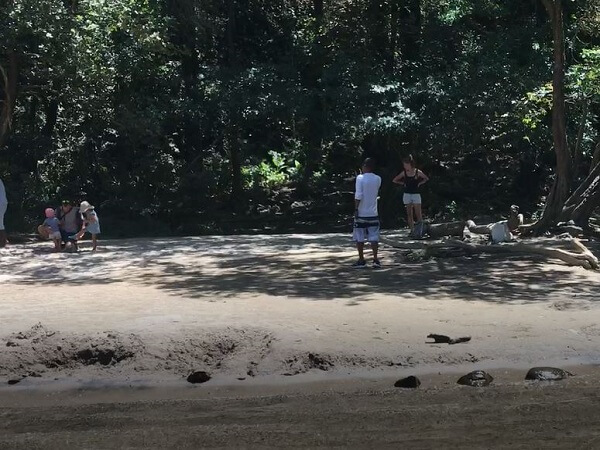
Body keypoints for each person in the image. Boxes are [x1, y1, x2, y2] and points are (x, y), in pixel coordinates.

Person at [353, 158, 382, 268]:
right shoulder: (378, 179)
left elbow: (358, 195)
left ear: (364, 166)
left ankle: (361, 259)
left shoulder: (360, 178)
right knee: (374, 237)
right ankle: (375, 259)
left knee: (359, 236)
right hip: (373, 212)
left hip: (361, 212)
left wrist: (356, 209)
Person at [392, 155, 429, 231]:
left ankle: (420, 230)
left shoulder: (417, 172)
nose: (405, 166)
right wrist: (402, 183)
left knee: (418, 213)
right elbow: (395, 180)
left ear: (410, 164)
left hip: (416, 194)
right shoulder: (404, 173)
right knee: (409, 213)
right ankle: (412, 230)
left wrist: (420, 183)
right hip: (407, 194)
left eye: (406, 165)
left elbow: (426, 178)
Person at [0, 177, 7, 248]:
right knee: (0, 224)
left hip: (1, 203)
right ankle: (2, 243)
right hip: (2, 203)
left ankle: (2, 243)